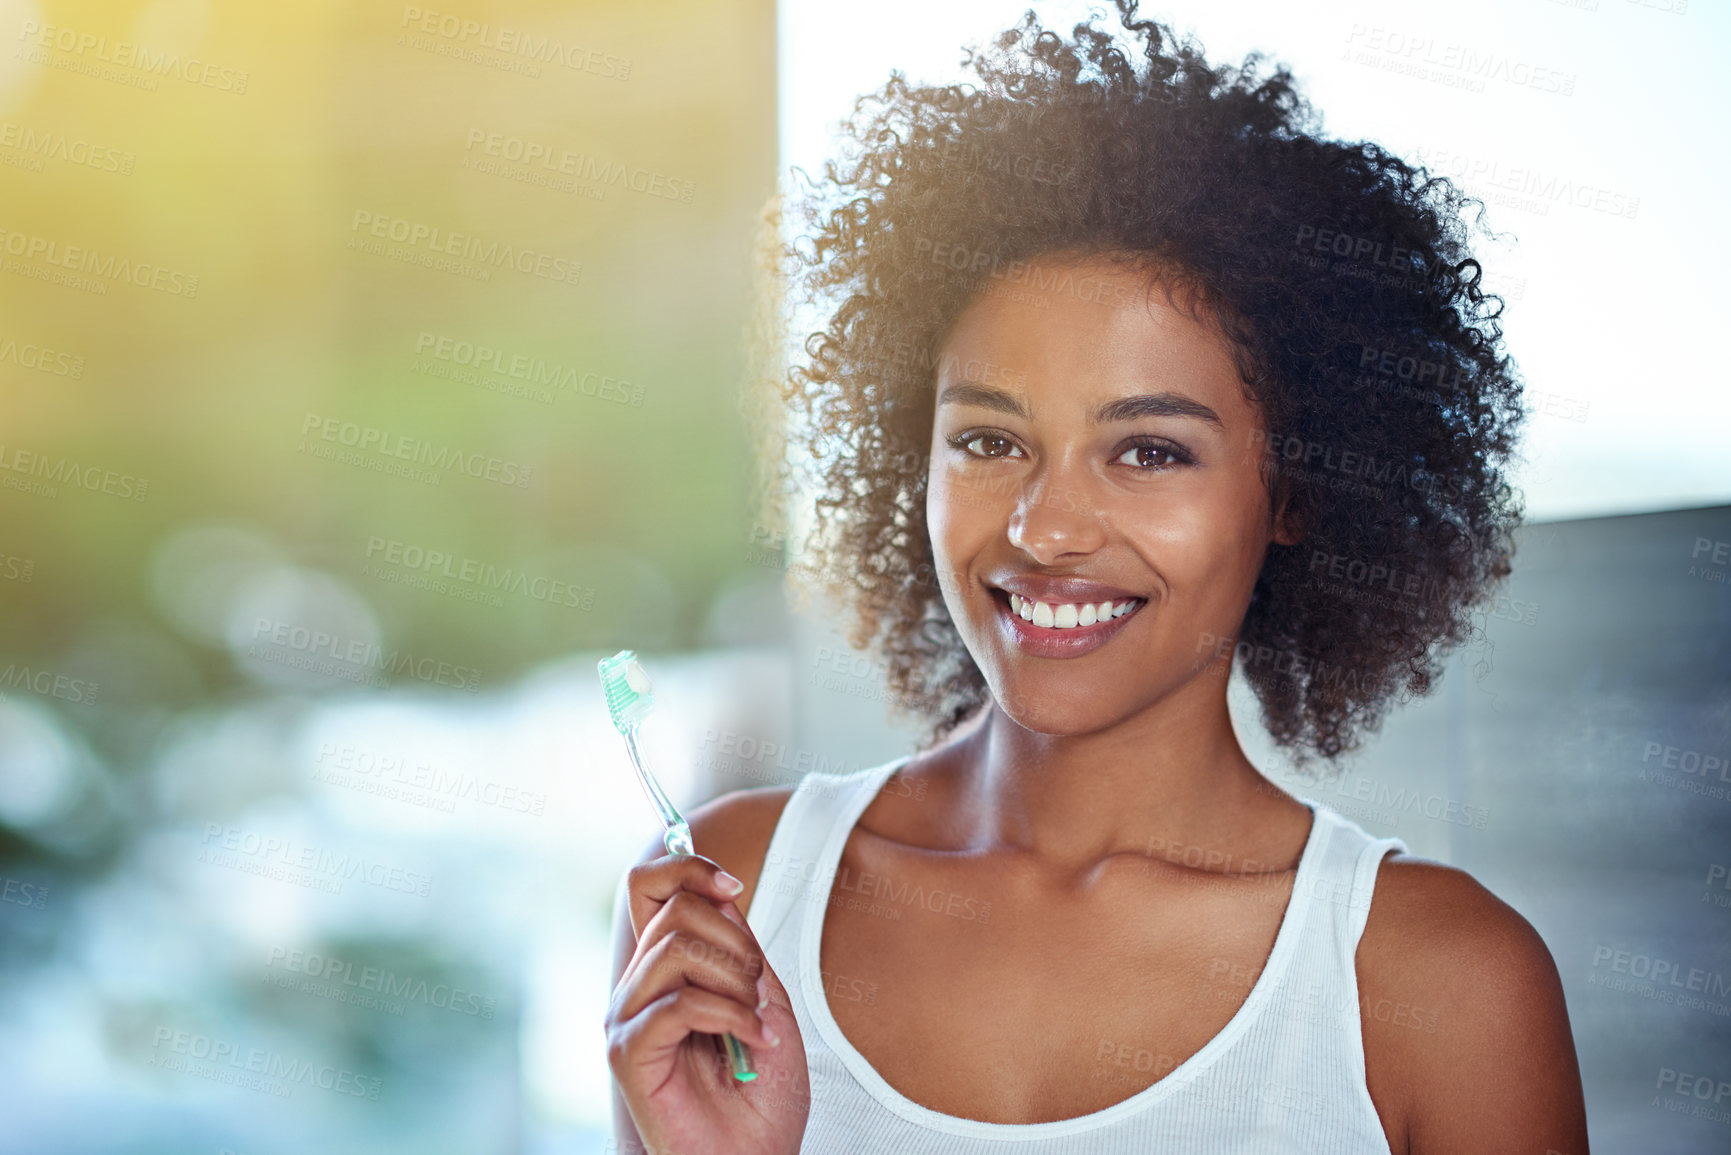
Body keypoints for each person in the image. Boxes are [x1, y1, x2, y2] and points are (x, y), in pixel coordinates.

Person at [606, 2, 1590, 1151]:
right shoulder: (727, 901)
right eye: (988, 441)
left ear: (1296, 493)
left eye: (1148, 451)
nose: (1046, 526)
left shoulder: (1441, 989)